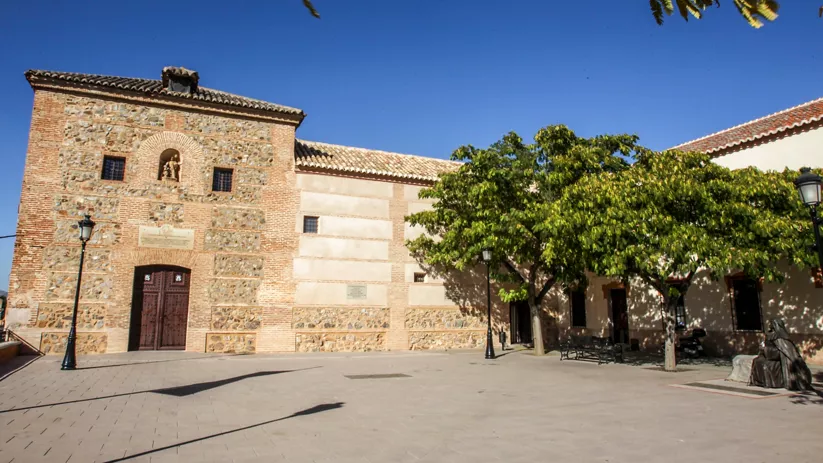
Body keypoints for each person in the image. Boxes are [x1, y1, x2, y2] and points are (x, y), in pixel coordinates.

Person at [749, 319, 813, 391]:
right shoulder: (770, 334)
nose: (769, 325)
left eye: (771, 323)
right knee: (756, 361)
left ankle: (769, 383)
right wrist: (763, 347)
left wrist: (766, 349)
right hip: (769, 355)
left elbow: (784, 350)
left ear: (775, 325)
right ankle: (759, 382)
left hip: (779, 357)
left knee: (766, 365)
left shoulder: (781, 336)